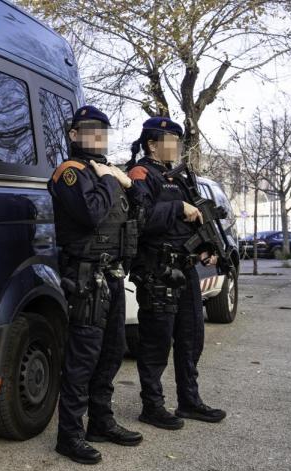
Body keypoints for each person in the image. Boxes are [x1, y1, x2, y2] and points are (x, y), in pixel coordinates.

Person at [49, 105, 143, 465]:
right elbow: (91, 213)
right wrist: (108, 178)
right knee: (83, 357)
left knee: (112, 350)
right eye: (90, 130)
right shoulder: (70, 173)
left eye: (103, 130)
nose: (97, 136)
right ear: (74, 135)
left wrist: (127, 183)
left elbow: (136, 213)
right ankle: (69, 435)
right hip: (86, 277)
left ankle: (101, 422)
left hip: (113, 275)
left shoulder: (107, 172)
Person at [125, 117, 227, 429]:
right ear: (151, 144)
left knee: (191, 337)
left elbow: (195, 218)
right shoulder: (140, 174)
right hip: (157, 270)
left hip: (185, 268)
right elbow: (141, 219)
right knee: (156, 342)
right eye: (169, 140)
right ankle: (152, 406)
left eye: (177, 141)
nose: (175, 147)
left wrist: (207, 247)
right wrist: (178, 208)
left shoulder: (182, 178)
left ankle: (189, 401)